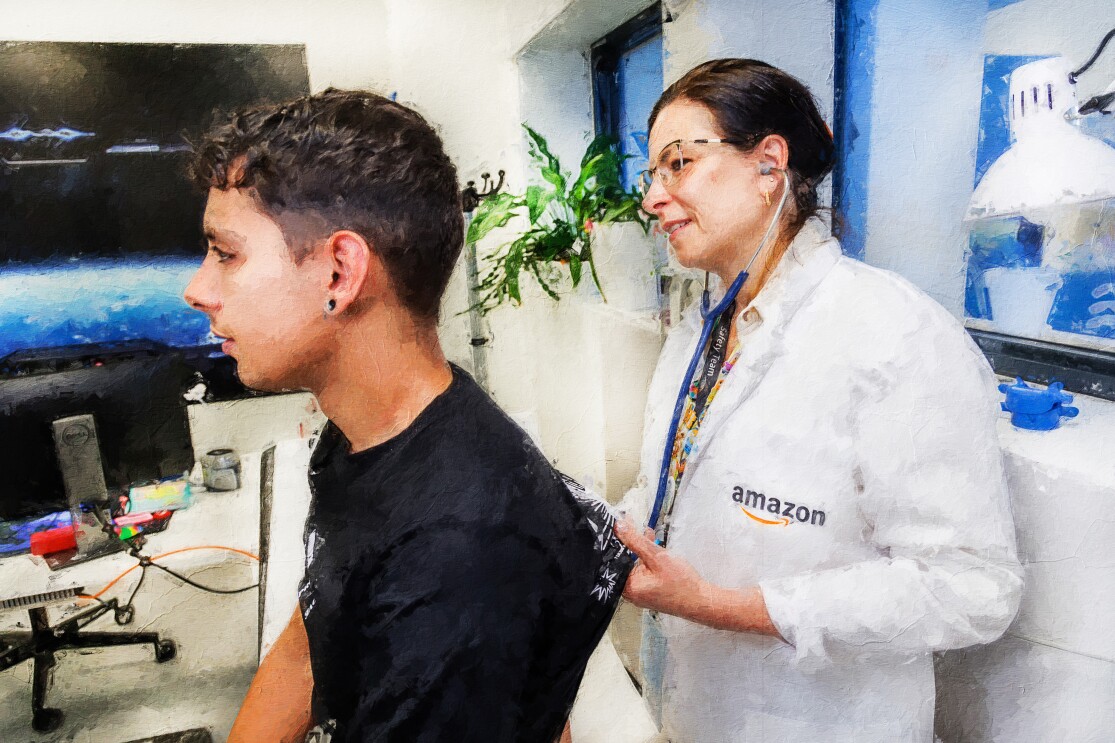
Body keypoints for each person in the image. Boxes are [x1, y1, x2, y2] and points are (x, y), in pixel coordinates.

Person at [184, 89, 630, 743]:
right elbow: (315, 636)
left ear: (340, 271)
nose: (197, 288)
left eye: (225, 253)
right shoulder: (362, 431)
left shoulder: (460, 553)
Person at [613, 59, 1023, 743]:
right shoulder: (698, 332)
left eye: (677, 163)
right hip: (696, 709)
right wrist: (601, 531)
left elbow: (971, 587)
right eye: (651, 174)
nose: (653, 197)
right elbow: (670, 489)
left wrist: (723, 605)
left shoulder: (893, 333)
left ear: (769, 162)